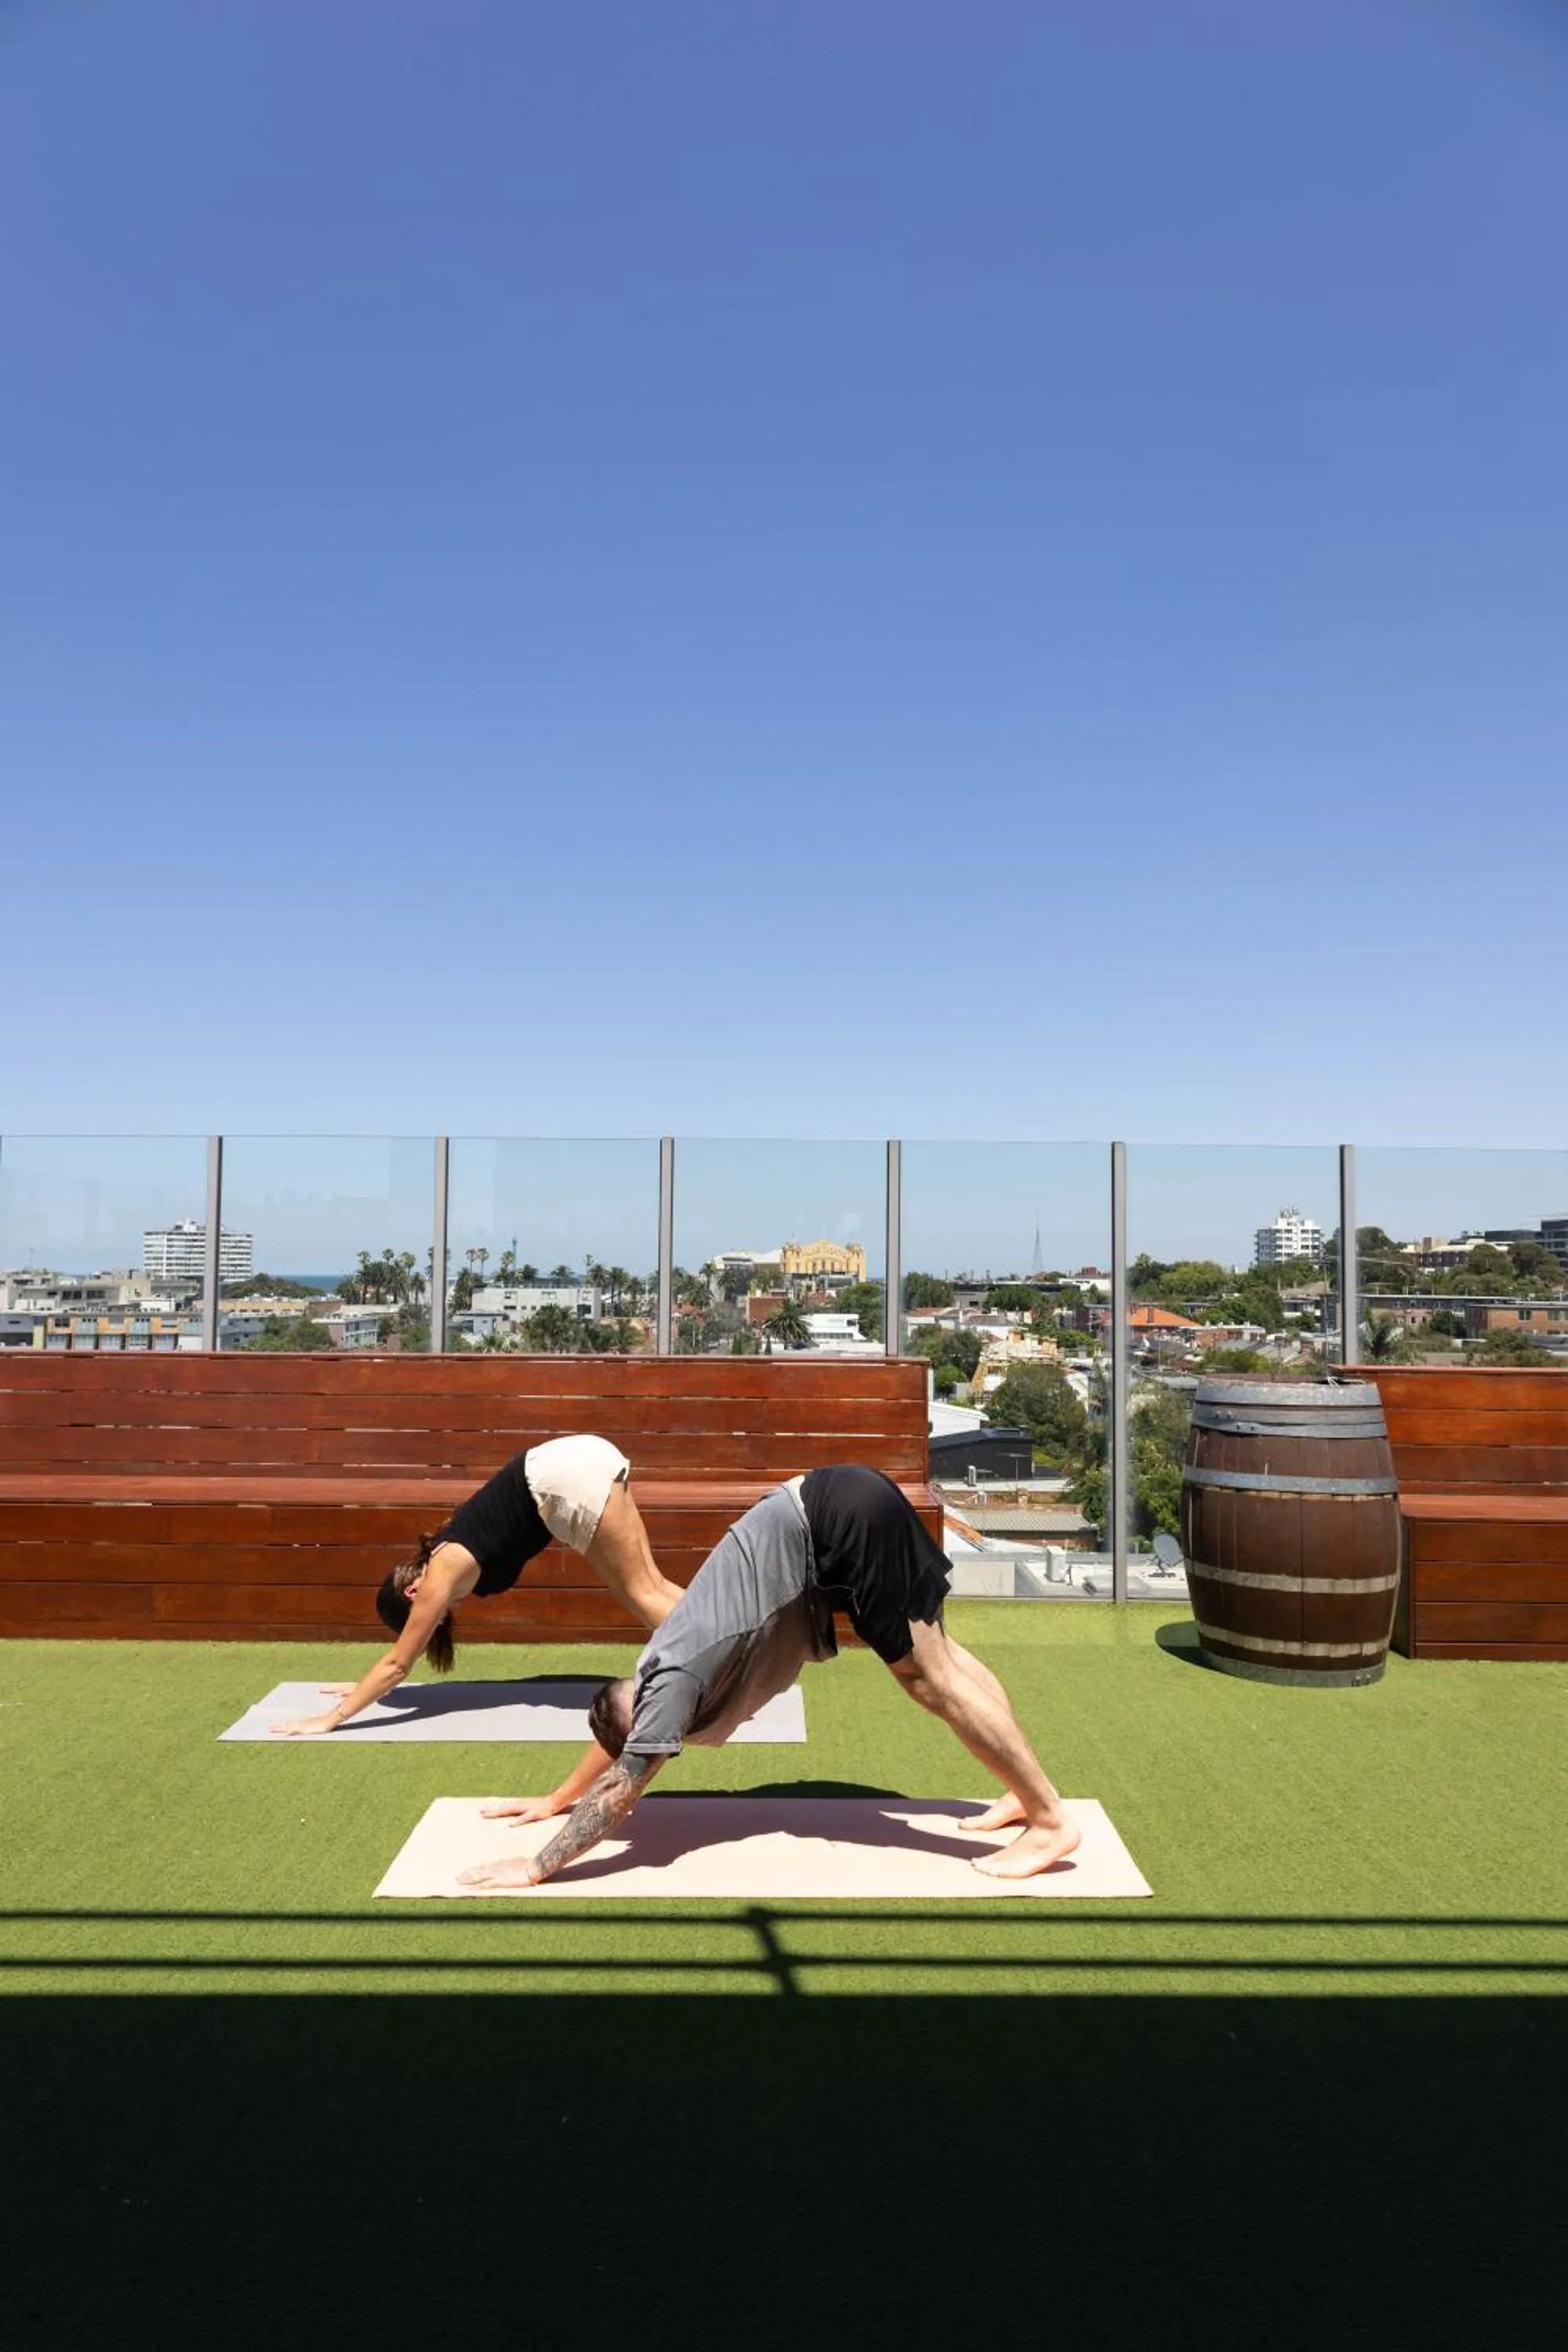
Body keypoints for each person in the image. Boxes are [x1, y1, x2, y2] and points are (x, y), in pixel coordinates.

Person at [459, 1462, 1078, 1885]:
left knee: (928, 1678)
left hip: (835, 1525)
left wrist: (538, 1865)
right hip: (839, 1496)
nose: (657, 1749)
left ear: (649, 1722)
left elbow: (623, 1785)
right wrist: (555, 1800)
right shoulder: (651, 1670)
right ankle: (1025, 1796)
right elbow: (616, 1751)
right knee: (944, 1655)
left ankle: (1050, 1821)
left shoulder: (670, 1689)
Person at [271, 1434, 681, 1736]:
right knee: (653, 1587)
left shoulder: (440, 1574)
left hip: (562, 1478)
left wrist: (333, 1718)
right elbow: (394, 1663)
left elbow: (398, 1664)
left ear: (412, 1594)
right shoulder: (446, 1553)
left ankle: (712, 1674)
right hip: (578, 1458)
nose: (431, 1626)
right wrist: (362, 1689)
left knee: (641, 1594)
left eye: (421, 1623)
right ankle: (741, 1649)